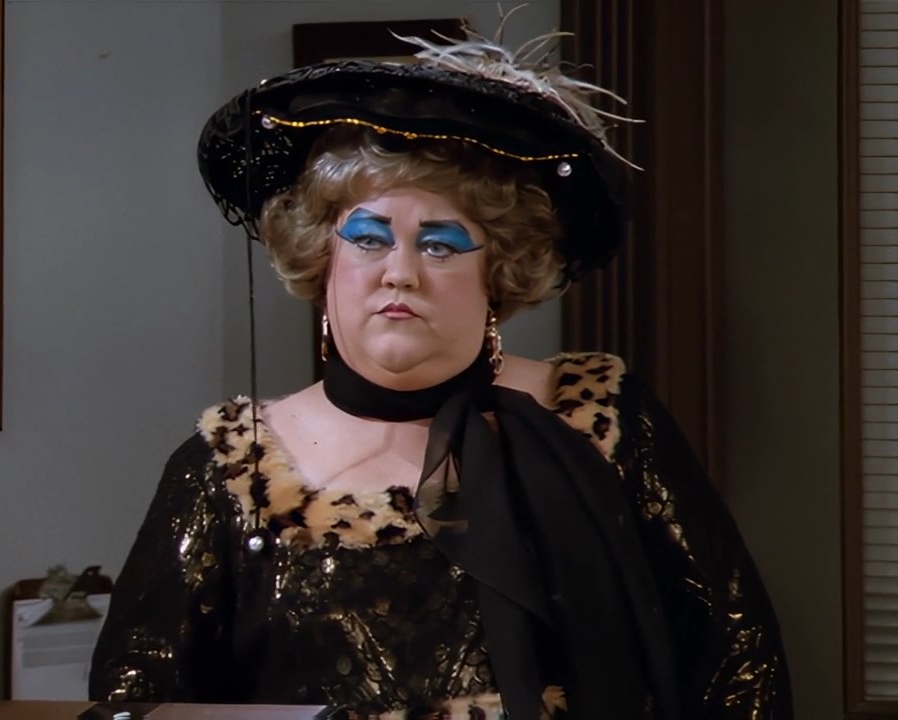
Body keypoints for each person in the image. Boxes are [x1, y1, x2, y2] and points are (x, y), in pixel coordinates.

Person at [89, 28, 793, 720]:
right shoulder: (232, 464)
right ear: (322, 258)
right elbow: (134, 698)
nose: (400, 272)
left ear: (499, 270)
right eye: (368, 239)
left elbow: (738, 660)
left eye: (441, 244)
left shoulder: (594, 422)